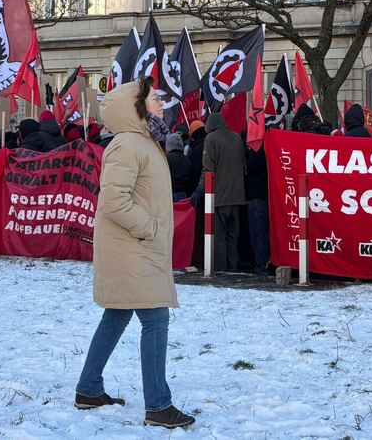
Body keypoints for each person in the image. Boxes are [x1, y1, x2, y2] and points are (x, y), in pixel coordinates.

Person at [75, 78, 194, 428]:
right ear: (137, 108)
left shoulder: (143, 141)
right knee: (155, 319)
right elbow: (113, 201)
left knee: (117, 315)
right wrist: (150, 228)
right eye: (154, 99)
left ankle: (88, 388)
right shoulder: (129, 144)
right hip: (134, 247)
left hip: (135, 248)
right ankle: (158, 405)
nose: (160, 103)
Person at [199, 112, 245, 272]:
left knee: (219, 237)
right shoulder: (237, 138)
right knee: (233, 236)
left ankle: (220, 269)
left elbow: (208, 170)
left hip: (218, 197)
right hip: (237, 197)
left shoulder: (211, 139)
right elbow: (243, 167)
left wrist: (199, 190)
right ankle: (232, 267)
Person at [244, 134, 272, 275]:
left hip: (258, 197)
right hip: (262, 196)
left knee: (258, 233)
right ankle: (261, 264)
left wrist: (251, 152)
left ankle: (261, 265)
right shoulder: (271, 150)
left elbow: (251, 166)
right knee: (259, 233)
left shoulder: (261, 151)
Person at [164, 133, 196, 201]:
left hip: (170, 194)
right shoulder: (187, 160)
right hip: (184, 195)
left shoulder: (168, 158)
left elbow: (164, 177)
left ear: (168, 144)